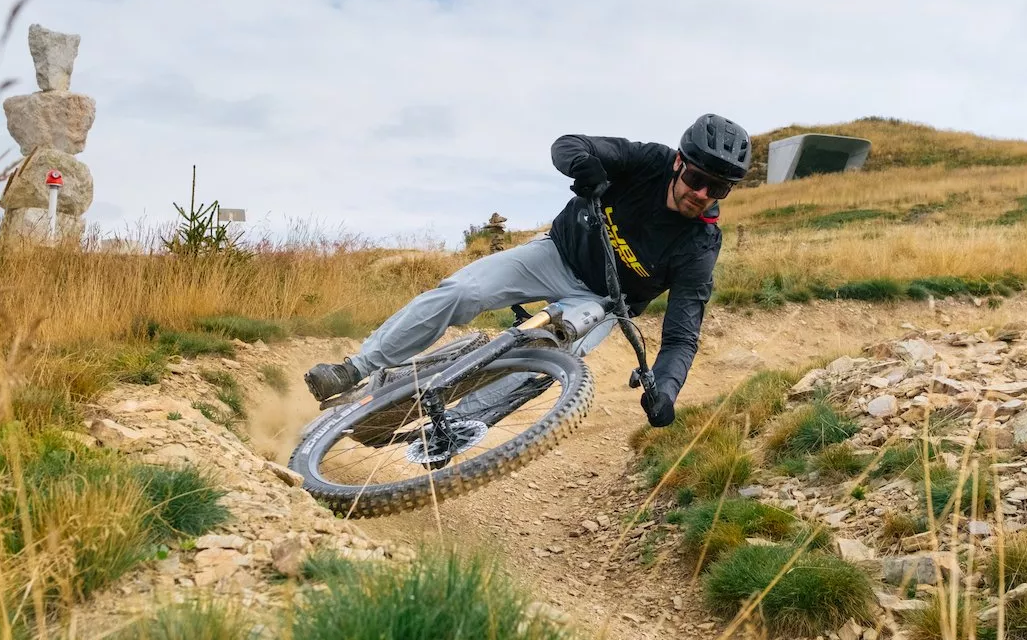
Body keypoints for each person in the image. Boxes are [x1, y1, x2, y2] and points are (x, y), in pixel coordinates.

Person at [303, 114, 752, 428]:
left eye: (719, 189)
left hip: (603, 303)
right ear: (678, 162)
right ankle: (356, 367)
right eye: (696, 179)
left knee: (551, 357)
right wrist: (584, 165)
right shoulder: (647, 162)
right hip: (556, 254)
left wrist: (667, 391)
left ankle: (453, 427)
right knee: (463, 291)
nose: (702, 194)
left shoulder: (699, 246)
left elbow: (681, 334)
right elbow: (570, 144)